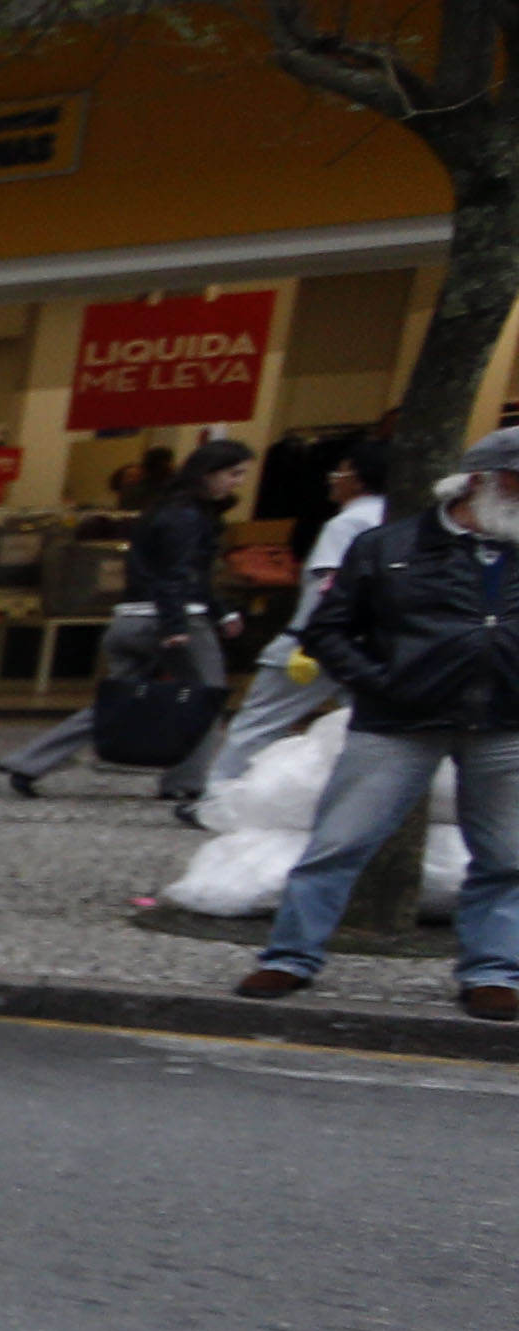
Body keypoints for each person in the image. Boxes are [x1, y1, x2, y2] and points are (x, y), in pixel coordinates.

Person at [238, 429, 519, 1021]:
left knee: (507, 856)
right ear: (479, 482)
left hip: (504, 723)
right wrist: (381, 682)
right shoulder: (387, 546)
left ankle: (493, 971)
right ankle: (290, 957)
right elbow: (327, 631)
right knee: (340, 842)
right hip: (397, 722)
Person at [0, 439, 243, 797]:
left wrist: (219, 611)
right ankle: (186, 782)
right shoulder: (191, 517)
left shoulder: (159, 510)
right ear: (210, 473)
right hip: (176, 619)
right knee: (207, 698)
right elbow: (182, 575)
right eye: (233, 474)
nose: (237, 482)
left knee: (115, 703)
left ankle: (29, 761)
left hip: (129, 619)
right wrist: (181, 623)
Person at [198, 447, 385, 801]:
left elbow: (326, 585)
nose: (333, 481)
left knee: (260, 720)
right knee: (369, 723)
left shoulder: (346, 523)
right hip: (367, 642)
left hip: (315, 640)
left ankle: (218, 795)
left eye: (340, 473)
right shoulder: (396, 517)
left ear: (357, 479)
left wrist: (308, 634)